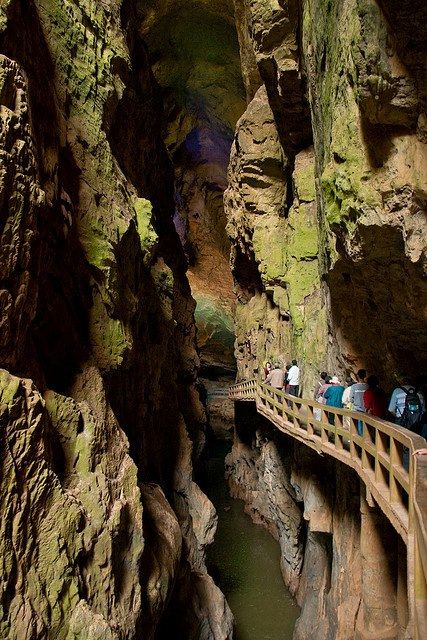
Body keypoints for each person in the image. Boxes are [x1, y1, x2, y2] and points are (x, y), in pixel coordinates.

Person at [349, 369, 368, 435]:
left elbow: (351, 399)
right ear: (365, 376)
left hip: (357, 410)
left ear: (358, 376)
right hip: (367, 411)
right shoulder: (368, 386)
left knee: (358, 429)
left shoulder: (354, 387)